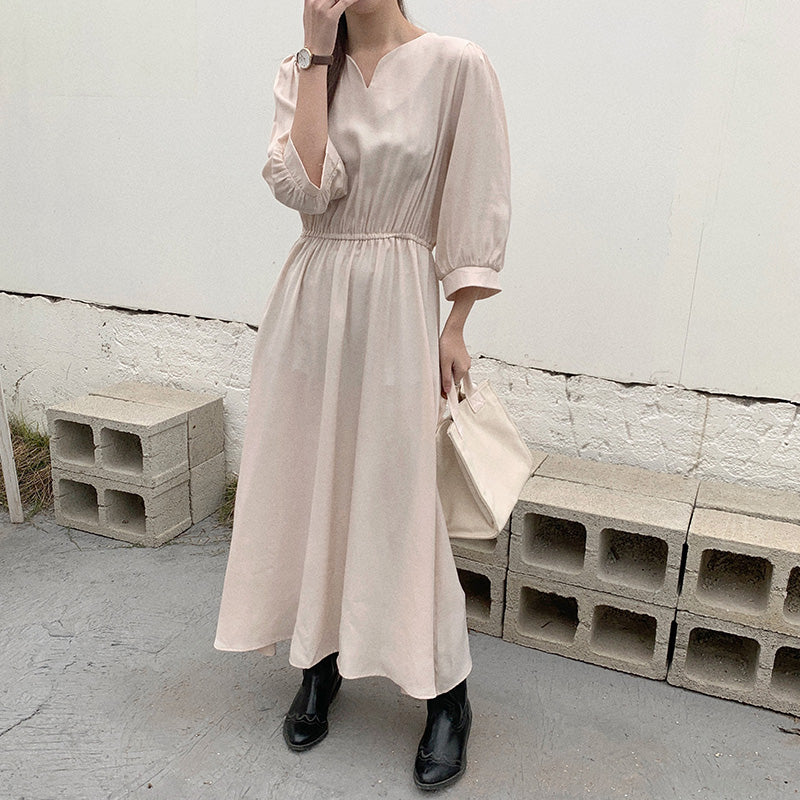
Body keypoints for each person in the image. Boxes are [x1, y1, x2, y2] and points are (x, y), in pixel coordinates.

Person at [213, 0, 511, 790]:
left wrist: (457, 321)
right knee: (308, 488)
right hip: (311, 304)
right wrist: (316, 57)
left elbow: (478, 191)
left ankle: (447, 695)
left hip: (399, 305)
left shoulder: (456, 64)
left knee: (400, 500)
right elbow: (307, 190)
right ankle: (319, 661)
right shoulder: (303, 71)